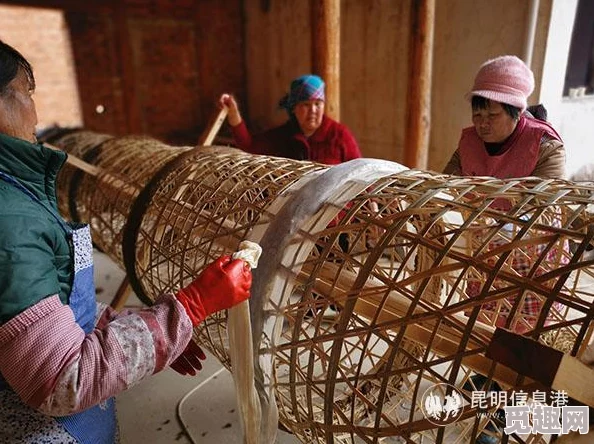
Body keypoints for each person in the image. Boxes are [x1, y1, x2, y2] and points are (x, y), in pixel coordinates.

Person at [0, 40, 252, 443]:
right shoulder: (8, 219)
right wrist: (192, 306)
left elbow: (62, 305)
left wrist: (154, 332)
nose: (35, 111)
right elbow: (64, 378)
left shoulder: (17, 194)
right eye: (27, 93)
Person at [444, 55, 567, 444]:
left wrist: (492, 218)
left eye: (491, 115)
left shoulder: (545, 146)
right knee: (489, 331)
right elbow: (442, 184)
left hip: (533, 261)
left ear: (517, 112)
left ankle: (514, 420)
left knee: (529, 341)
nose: (481, 123)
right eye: (478, 112)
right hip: (486, 259)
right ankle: (487, 398)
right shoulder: (469, 142)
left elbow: (545, 207)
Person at [218, 74, 362, 164]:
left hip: (335, 211)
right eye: (306, 105)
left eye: (318, 104)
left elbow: (361, 173)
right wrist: (233, 113)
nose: (313, 110)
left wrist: (372, 207)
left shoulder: (339, 135)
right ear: (294, 108)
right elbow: (248, 144)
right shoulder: (284, 135)